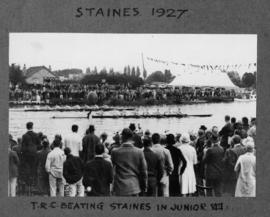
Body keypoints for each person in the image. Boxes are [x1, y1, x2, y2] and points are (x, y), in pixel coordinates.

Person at [111, 128, 147, 196]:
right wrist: (144, 186)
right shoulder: (139, 152)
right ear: (131, 138)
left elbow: (111, 170)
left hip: (119, 188)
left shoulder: (115, 151)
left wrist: (112, 187)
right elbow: (144, 172)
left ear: (122, 137)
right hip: (134, 187)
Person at [21, 122, 40, 188]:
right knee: (34, 168)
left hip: (27, 154)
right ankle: (34, 182)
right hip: (34, 154)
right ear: (32, 127)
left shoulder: (24, 136)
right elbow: (39, 145)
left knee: (27, 168)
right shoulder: (36, 135)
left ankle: (28, 182)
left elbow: (23, 147)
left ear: (27, 127)